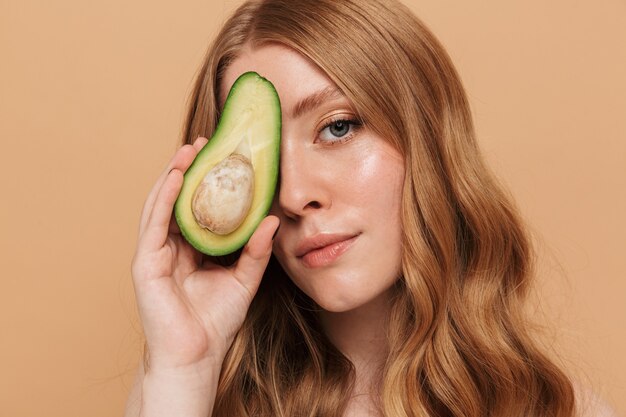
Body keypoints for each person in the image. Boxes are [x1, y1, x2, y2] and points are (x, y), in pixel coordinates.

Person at [124, 0, 617, 416]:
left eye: (338, 127)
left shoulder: (556, 407)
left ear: (426, 138)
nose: (294, 195)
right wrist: (184, 372)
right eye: (264, 162)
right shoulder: (180, 395)